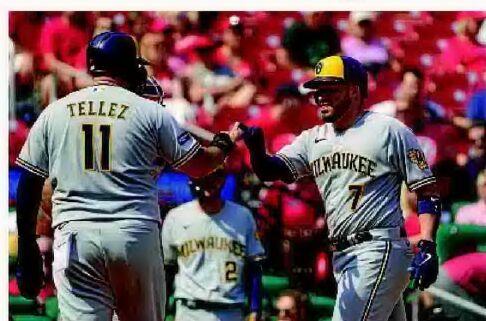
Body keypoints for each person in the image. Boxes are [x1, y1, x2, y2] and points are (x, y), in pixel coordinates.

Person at [15, 31, 242, 321]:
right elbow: (199, 166)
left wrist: (27, 246)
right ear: (128, 66)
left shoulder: (55, 111)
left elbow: (29, 182)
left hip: (75, 236)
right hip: (133, 232)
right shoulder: (149, 111)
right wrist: (224, 144)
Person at [240, 55, 441, 321]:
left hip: (377, 248)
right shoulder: (314, 138)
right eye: (317, 91)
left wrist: (427, 244)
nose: (320, 97)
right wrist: (256, 151)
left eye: (329, 89)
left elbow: (427, 192)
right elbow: (271, 171)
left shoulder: (388, 130)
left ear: (354, 90)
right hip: (345, 256)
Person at [161, 168, 265, 321]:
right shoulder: (176, 217)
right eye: (205, 177)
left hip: (230, 310)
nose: (210, 183)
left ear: (222, 179)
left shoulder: (242, 217)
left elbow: (254, 268)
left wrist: (255, 308)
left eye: (215, 176)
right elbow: (167, 270)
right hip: (189, 311)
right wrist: (161, 309)